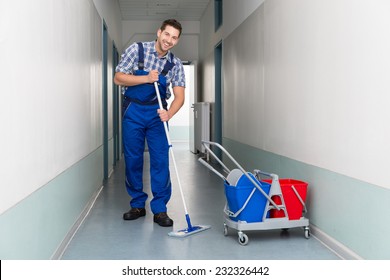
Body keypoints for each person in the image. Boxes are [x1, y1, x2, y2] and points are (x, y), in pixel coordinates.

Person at [114, 19, 186, 227]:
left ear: (177, 40)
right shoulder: (137, 51)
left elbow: (179, 97)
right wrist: (145, 79)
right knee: (133, 158)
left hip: (157, 116)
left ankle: (160, 209)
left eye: (174, 38)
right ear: (159, 32)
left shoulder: (175, 64)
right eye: (167, 35)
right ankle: (137, 204)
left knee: (160, 160)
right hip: (133, 111)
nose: (169, 40)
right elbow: (118, 78)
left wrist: (169, 114)